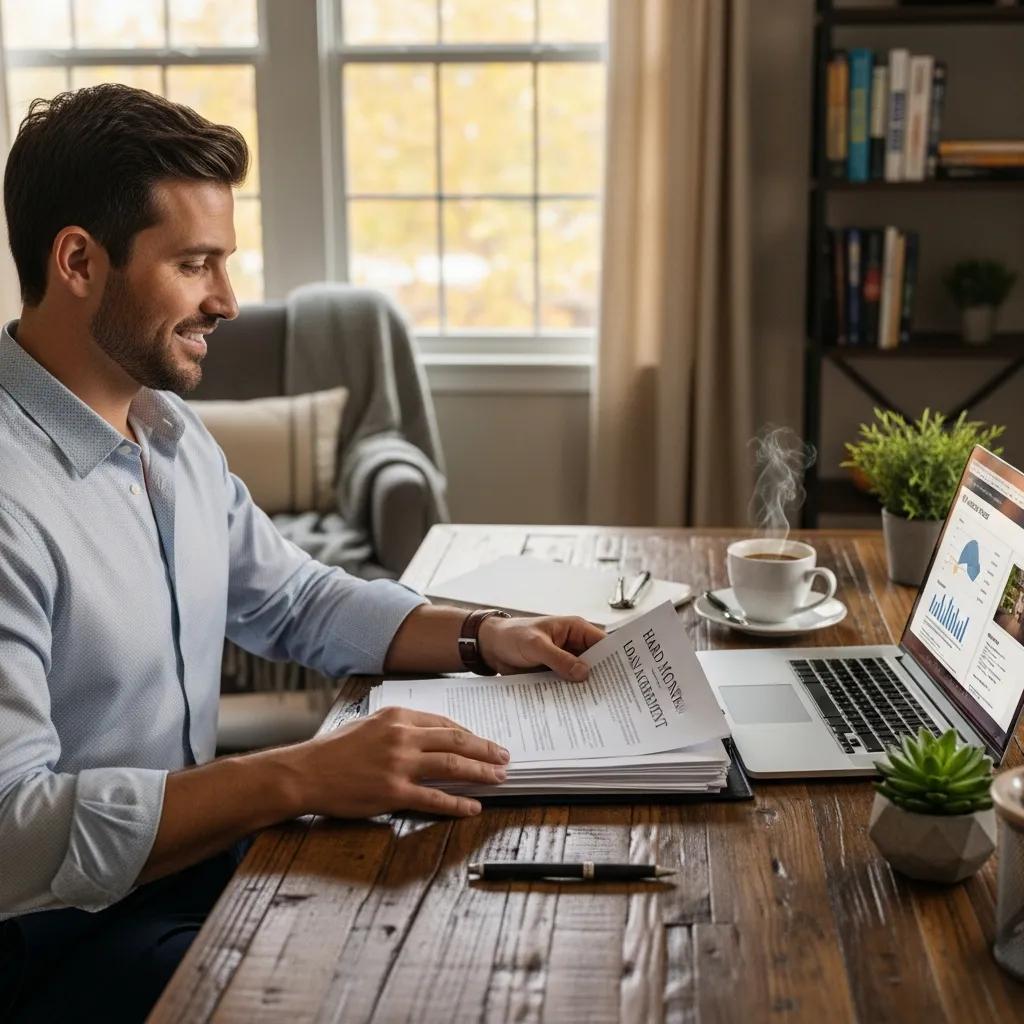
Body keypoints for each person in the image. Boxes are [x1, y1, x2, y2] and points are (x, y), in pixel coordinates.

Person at [0, 84, 605, 1022]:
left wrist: (487, 635)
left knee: (467, 921)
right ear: (78, 260)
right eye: (194, 263)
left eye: (225, 262)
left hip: (178, 872)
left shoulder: (167, 432)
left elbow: (293, 601)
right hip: (49, 936)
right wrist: (299, 773)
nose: (228, 300)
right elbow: (12, 834)